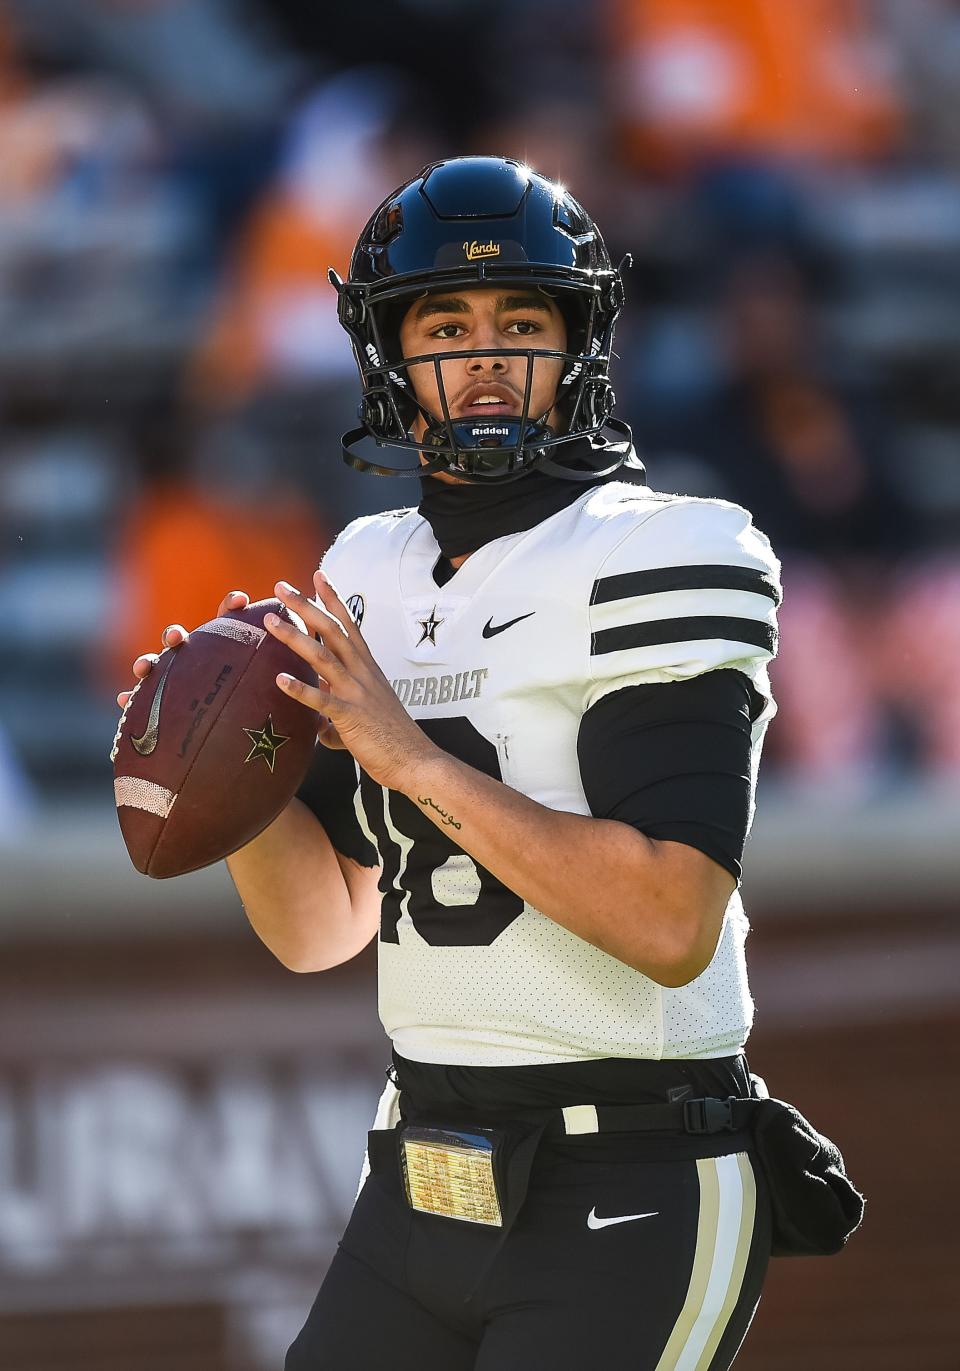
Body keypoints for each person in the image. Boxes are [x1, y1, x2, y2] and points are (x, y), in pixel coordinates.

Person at [119, 157, 784, 1369]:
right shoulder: (362, 568)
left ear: (577, 344)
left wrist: (411, 757)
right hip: (424, 1171)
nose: (484, 354)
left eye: (521, 321)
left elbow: (670, 916)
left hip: (631, 1172)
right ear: (392, 357)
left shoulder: (675, 549)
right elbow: (321, 929)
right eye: (447, 324)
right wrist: (232, 772)